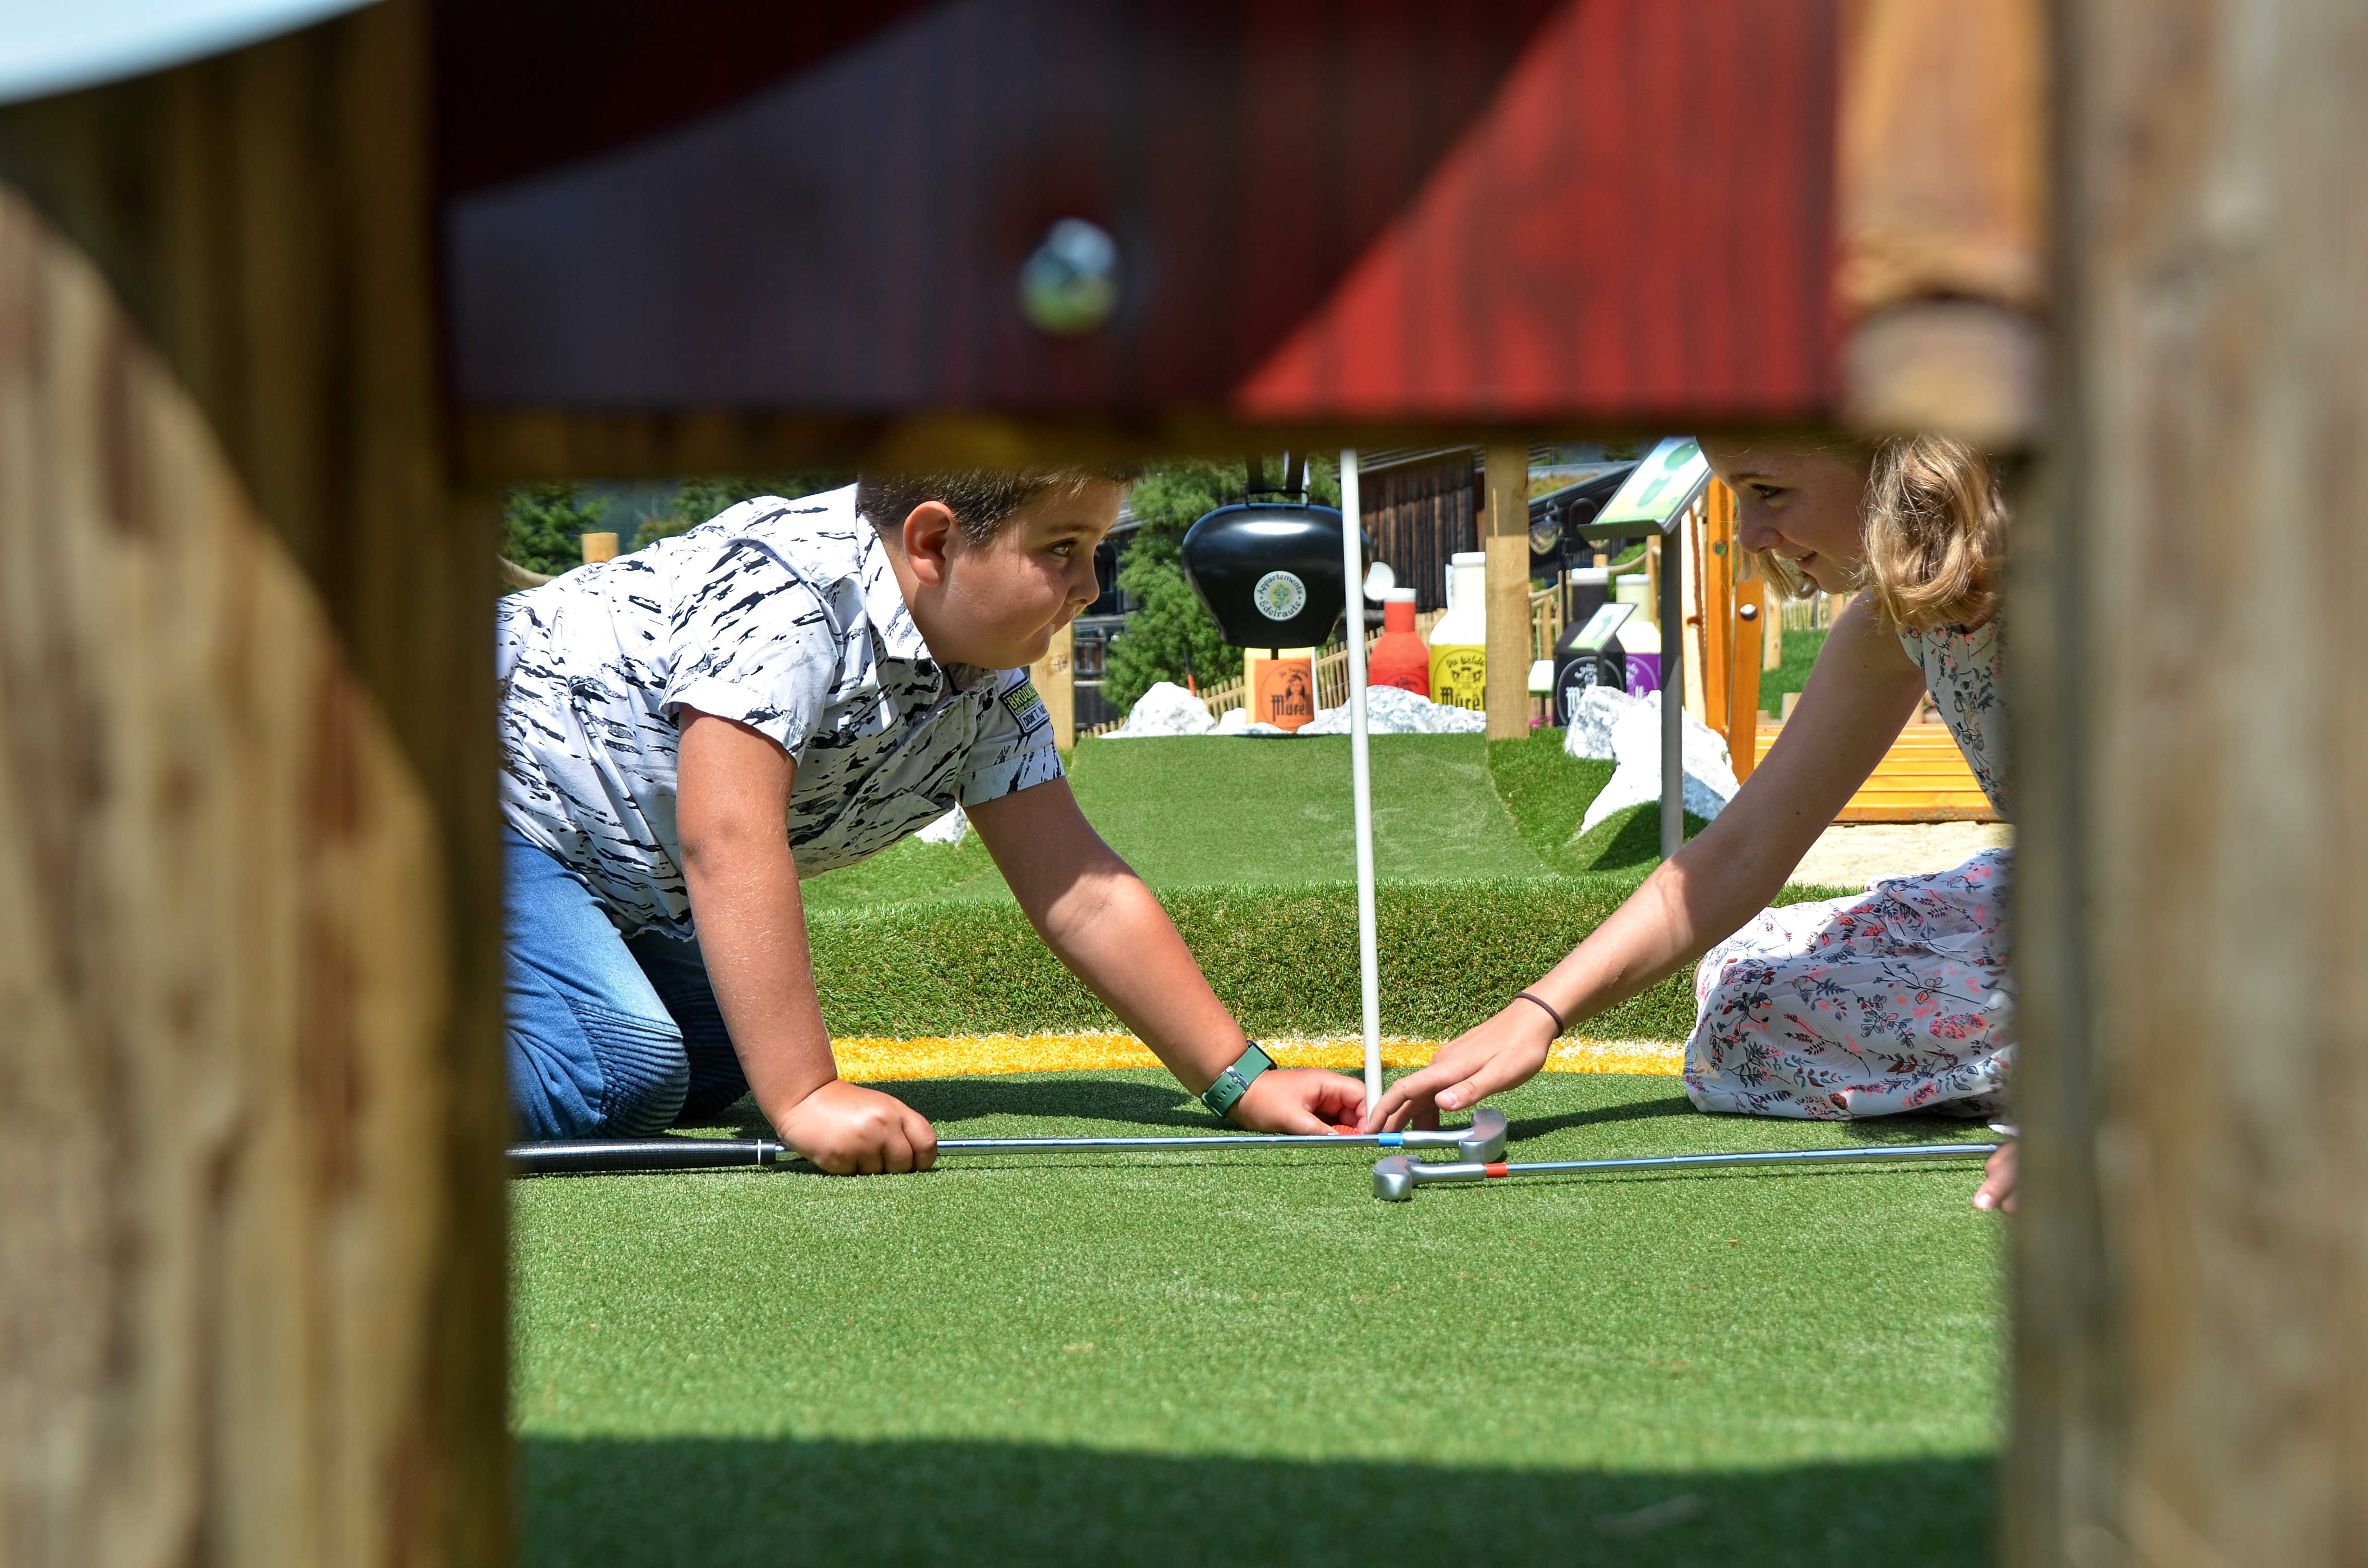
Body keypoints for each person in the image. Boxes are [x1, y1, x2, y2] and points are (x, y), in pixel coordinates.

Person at [498, 470, 1367, 1172]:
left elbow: (1085, 896)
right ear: (934, 543)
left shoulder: (983, 684)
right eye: (1062, 548)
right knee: (619, 1074)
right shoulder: (789, 600)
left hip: (592, 867)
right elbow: (725, 839)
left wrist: (1246, 1084)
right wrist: (805, 1096)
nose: (1090, 586)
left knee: (724, 1051)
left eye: (1095, 548)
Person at [1369, 435, 2020, 1212]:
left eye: (1769, 491)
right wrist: (1538, 1012)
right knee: (1744, 992)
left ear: (1904, 465)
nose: (1749, 534)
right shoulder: (1897, 619)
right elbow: (1745, 848)